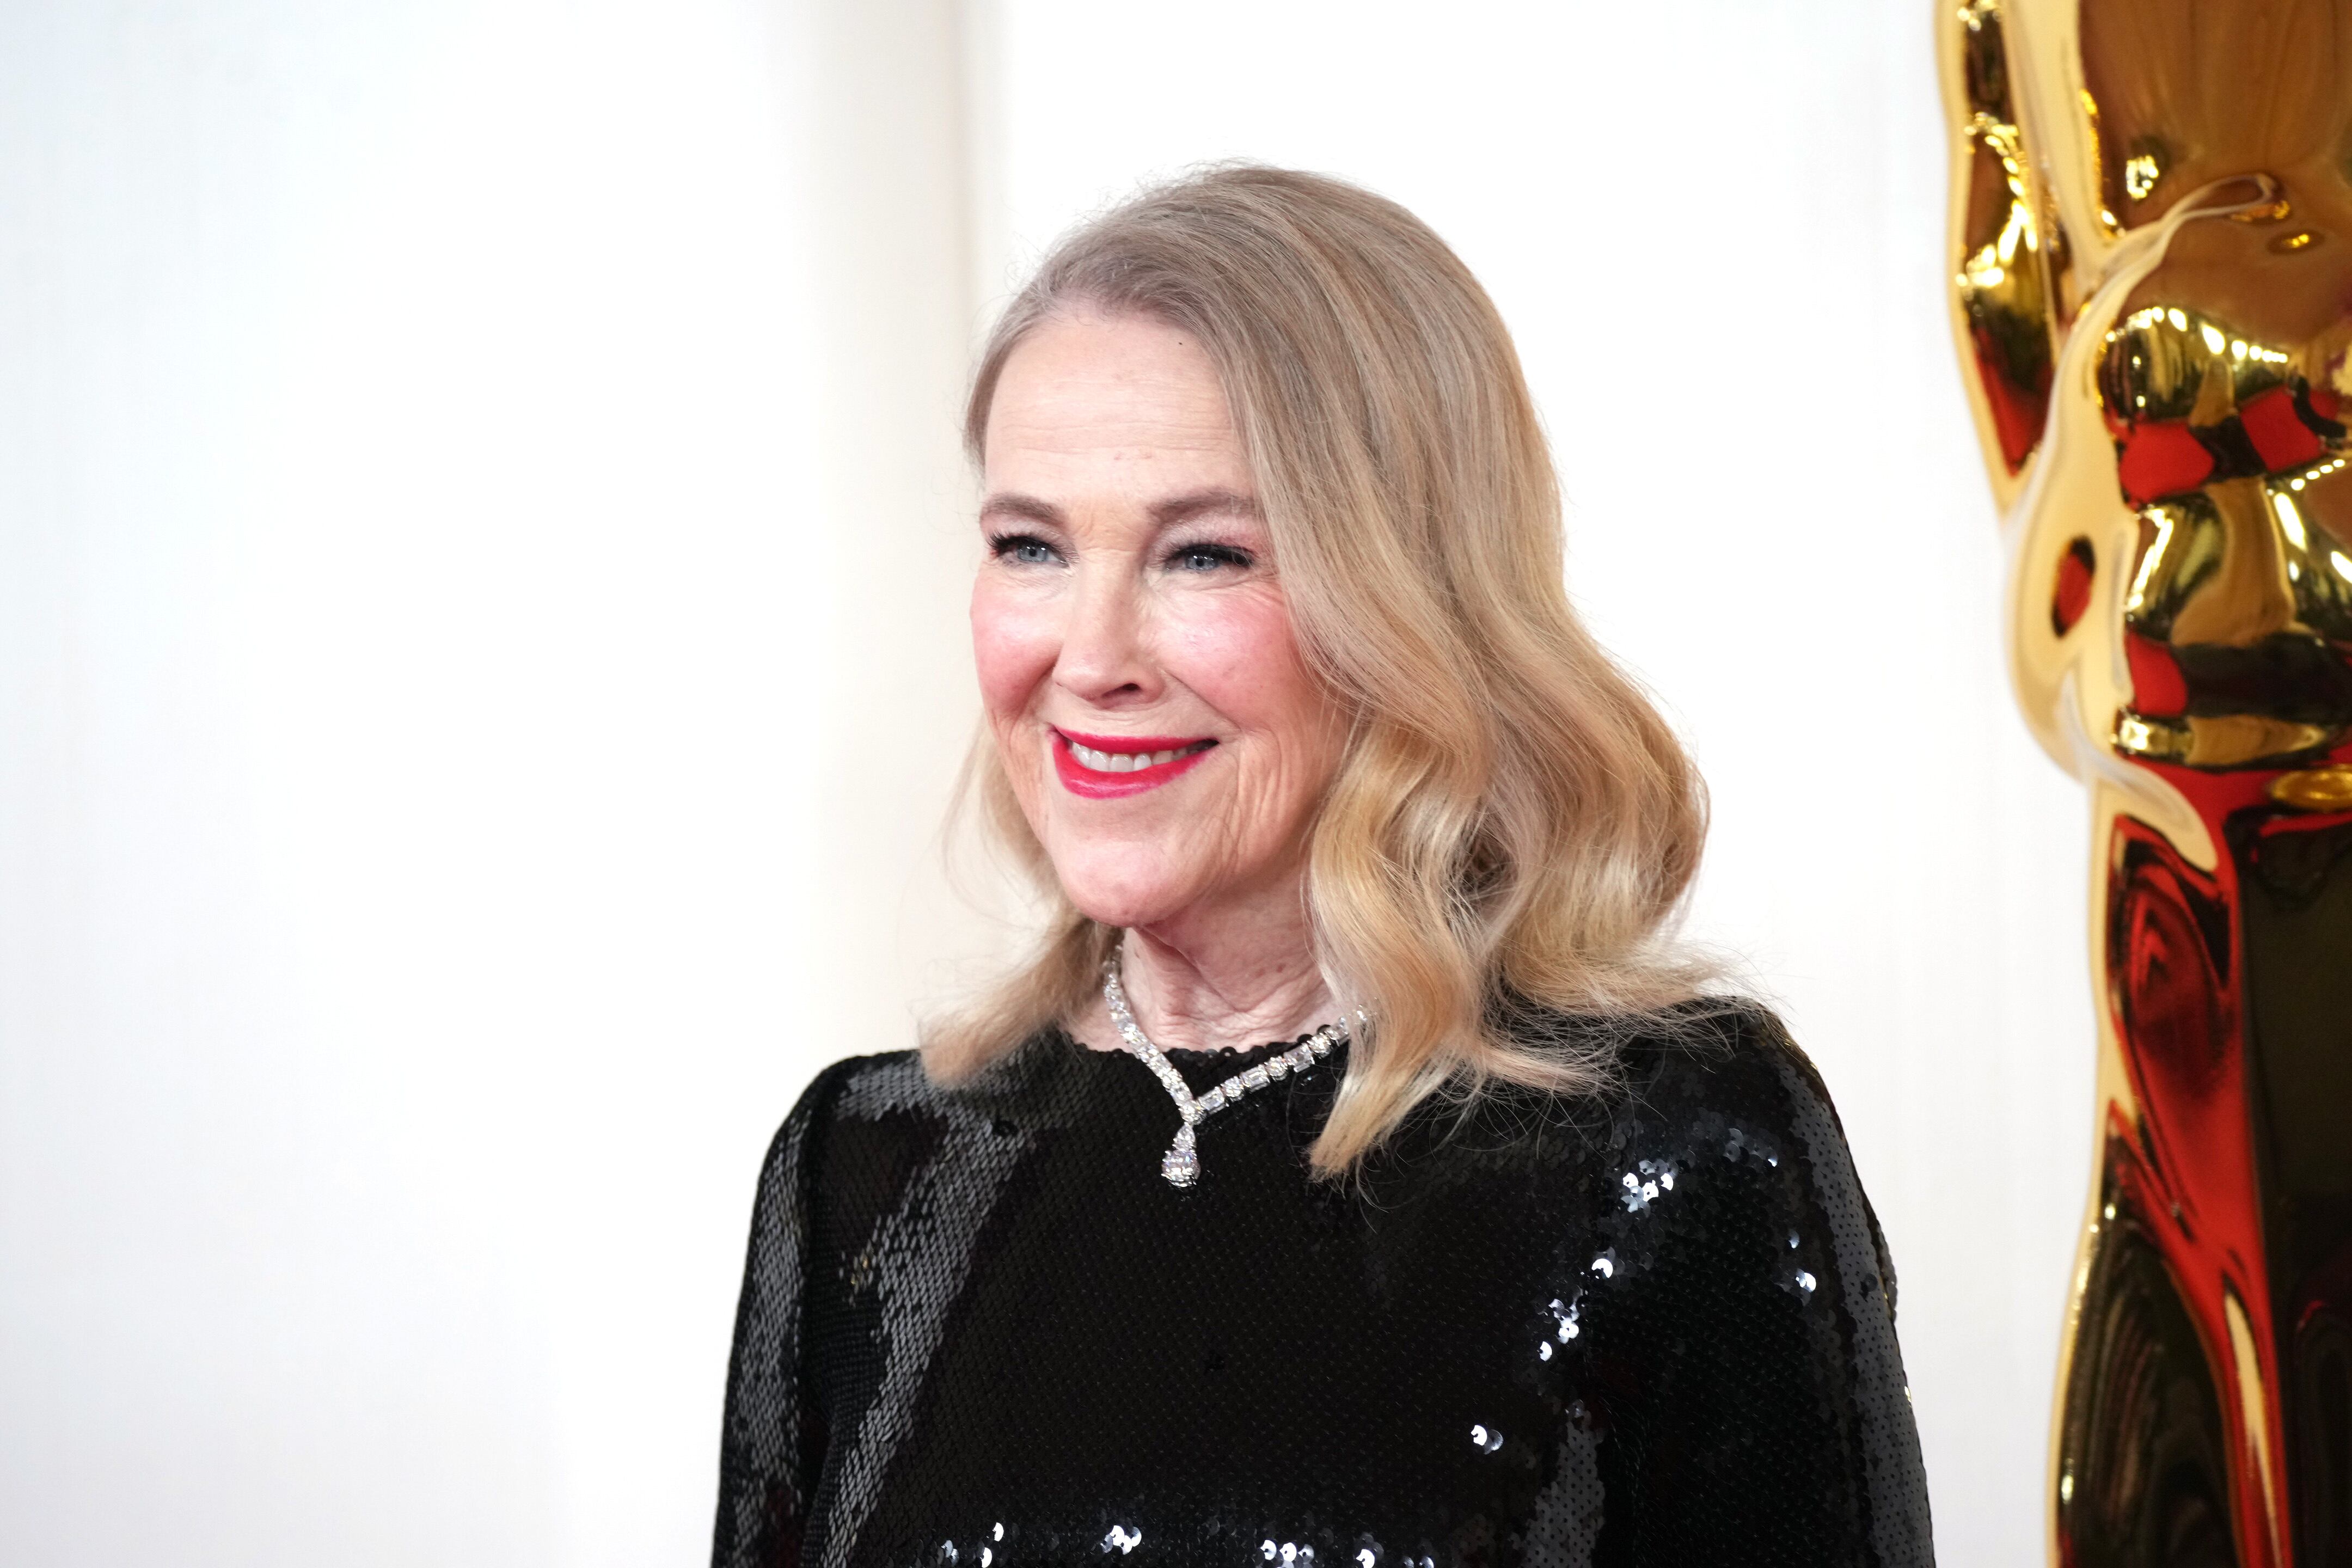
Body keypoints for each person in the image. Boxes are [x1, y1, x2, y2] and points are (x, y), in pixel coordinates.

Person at [712, 165, 1933, 1568]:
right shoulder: (861, 1166)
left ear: (1410, 597)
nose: (1090, 658)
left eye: (1205, 555)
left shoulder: (1677, 1143)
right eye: (1030, 545)